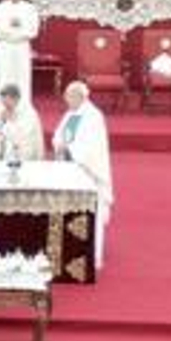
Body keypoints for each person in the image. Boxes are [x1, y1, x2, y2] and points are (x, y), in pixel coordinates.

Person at [52, 81, 115, 268]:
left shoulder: (93, 116)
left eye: (68, 97)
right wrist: (59, 144)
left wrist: (69, 148)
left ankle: (91, 254)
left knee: (89, 212)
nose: (66, 101)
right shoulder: (71, 113)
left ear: (80, 96)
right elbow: (59, 134)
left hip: (88, 171)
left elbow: (92, 147)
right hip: (69, 167)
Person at [0, 0, 39, 100]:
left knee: (21, 72)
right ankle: (0, 97)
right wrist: (8, 34)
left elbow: (34, 29)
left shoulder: (30, 9)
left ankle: (21, 97)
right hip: (5, 44)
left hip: (21, 45)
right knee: (4, 71)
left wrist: (19, 35)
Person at [0, 84, 45, 163]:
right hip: (2, 151)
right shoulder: (0, 110)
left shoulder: (29, 114)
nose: (5, 106)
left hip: (22, 154)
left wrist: (10, 121)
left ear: (16, 99)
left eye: (7, 102)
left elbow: (25, 138)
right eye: (3, 102)